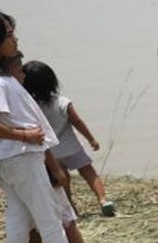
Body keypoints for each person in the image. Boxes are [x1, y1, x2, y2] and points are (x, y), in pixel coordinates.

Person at [0, 9, 86, 243]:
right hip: (22, 156)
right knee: (46, 213)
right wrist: (26, 135)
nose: (14, 39)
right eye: (7, 34)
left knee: (18, 214)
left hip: (10, 160)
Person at [5, 54, 100, 243]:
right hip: (39, 164)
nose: (21, 75)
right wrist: (56, 169)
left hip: (13, 166)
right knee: (65, 215)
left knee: (28, 219)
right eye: (19, 71)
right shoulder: (27, 104)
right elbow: (42, 142)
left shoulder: (5, 103)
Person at [21, 60, 114, 216]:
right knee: (89, 172)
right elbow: (77, 122)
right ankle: (103, 199)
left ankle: (71, 208)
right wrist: (91, 139)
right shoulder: (62, 102)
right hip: (72, 148)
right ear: (52, 81)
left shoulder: (31, 108)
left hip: (52, 153)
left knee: (63, 180)